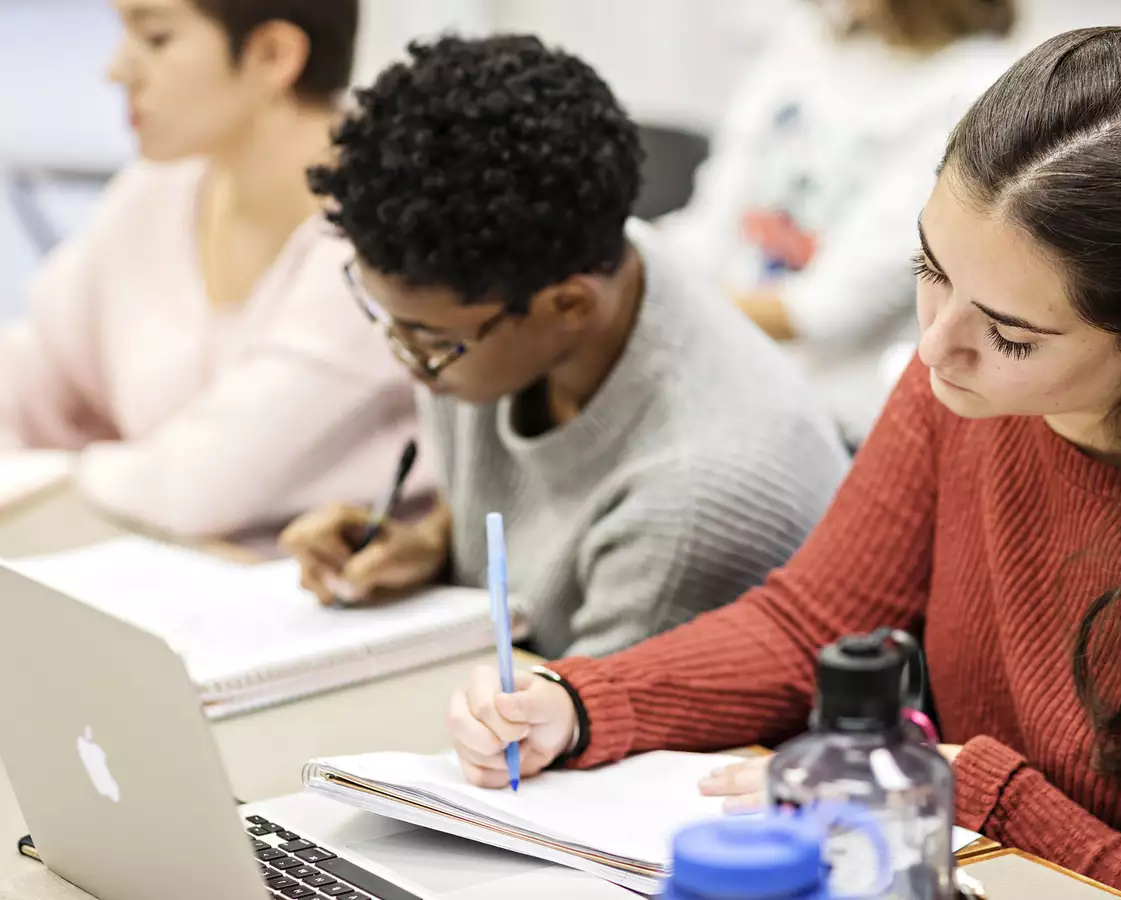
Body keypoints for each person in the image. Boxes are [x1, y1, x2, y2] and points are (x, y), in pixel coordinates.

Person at [442, 27, 1121, 899]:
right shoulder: (967, 387)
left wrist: (964, 786)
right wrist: (580, 705)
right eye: (928, 272)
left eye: (1013, 333)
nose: (935, 349)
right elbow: (814, 622)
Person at [278, 35, 847, 658]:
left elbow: (585, 727)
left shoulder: (698, 498)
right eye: (384, 318)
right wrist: (432, 544)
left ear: (569, 306)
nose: (407, 361)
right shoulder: (538, 274)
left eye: (430, 343)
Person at [0, 0, 422, 539]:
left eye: (154, 38)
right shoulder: (158, 191)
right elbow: (27, 376)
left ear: (273, 55)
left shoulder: (380, 242)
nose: (116, 70)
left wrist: (46, 476)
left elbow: (193, 490)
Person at [659, 0, 1018, 446]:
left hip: (829, 420)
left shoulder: (977, 88)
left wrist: (657, 295)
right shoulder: (803, 42)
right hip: (717, 365)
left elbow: (826, 312)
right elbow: (706, 228)